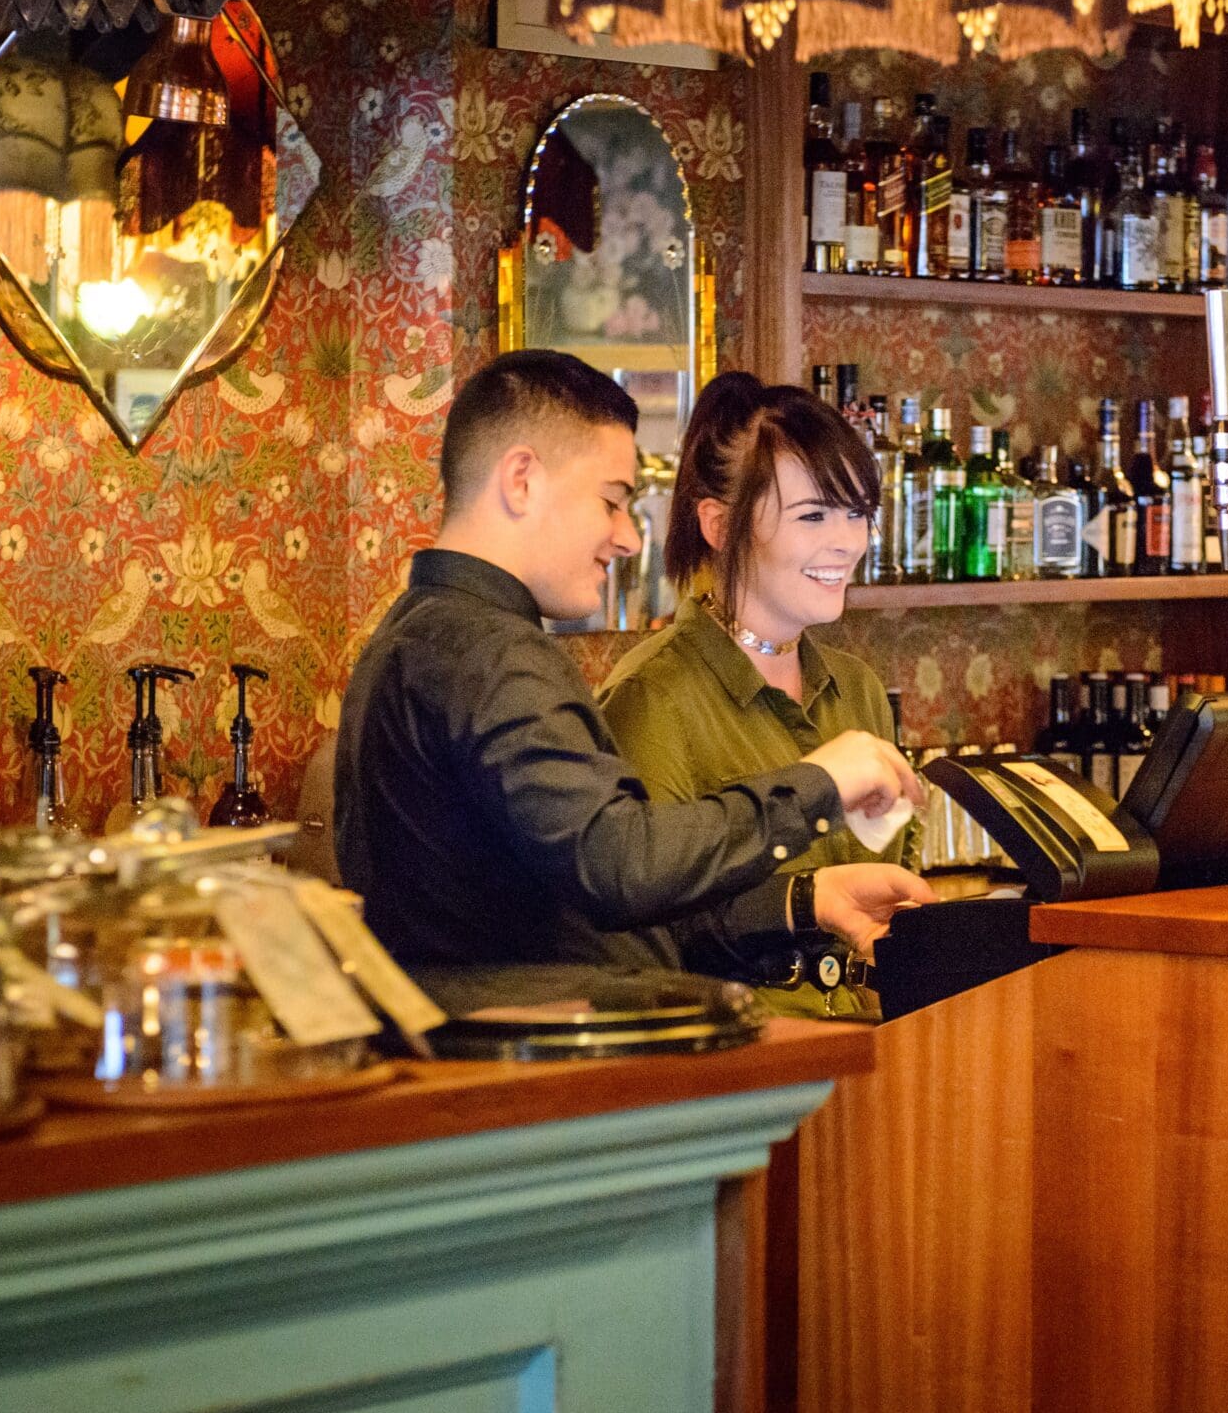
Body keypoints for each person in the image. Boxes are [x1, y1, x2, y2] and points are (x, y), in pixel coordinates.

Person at [334, 349, 925, 973]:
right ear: (521, 481)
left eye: (858, 514)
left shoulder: (421, 629)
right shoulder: (496, 655)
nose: (629, 536)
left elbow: (608, 889)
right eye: (612, 501)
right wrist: (819, 784)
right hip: (513, 1048)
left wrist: (805, 898)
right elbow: (620, 866)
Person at [600, 374, 933, 1018]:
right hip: (736, 1069)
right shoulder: (653, 699)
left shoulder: (857, 687)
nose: (847, 541)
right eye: (813, 516)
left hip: (871, 1049)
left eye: (857, 512)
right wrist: (801, 897)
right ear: (720, 526)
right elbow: (640, 939)